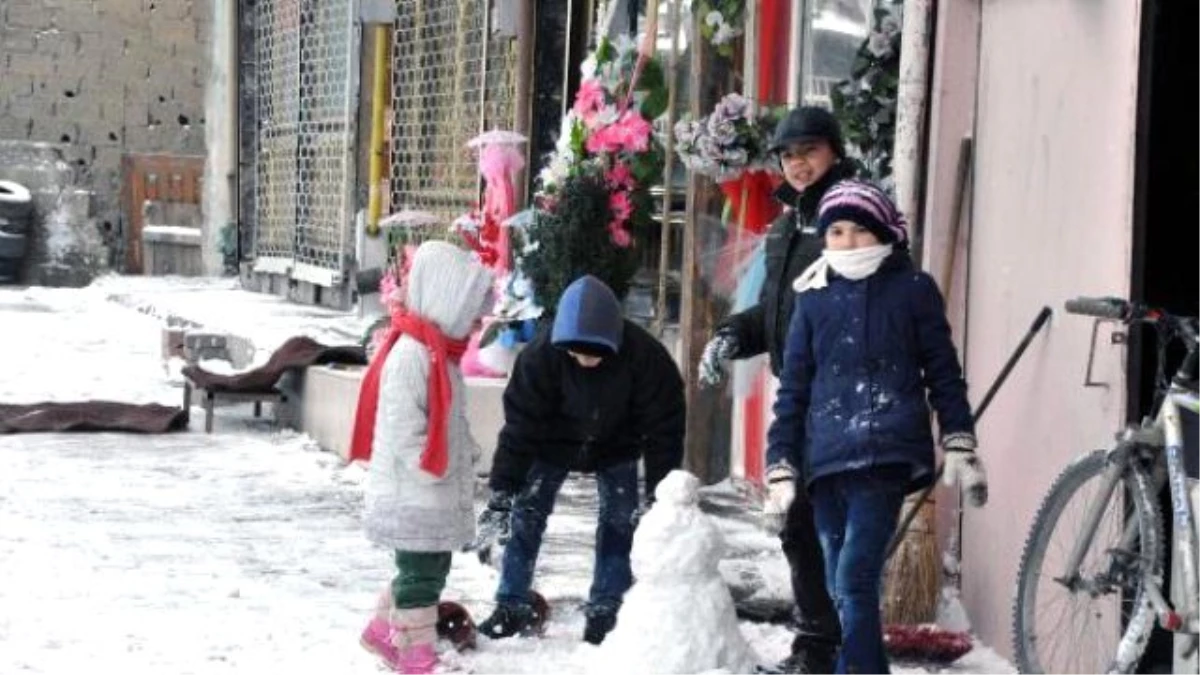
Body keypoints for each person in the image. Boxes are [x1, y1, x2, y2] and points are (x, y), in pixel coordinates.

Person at [768, 179, 988, 675]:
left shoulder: (912, 290)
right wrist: (781, 465)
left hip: (884, 454)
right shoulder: (813, 298)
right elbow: (794, 391)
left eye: (860, 231)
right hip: (824, 462)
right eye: (837, 232)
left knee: (854, 579)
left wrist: (959, 439)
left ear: (885, 232)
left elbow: (942, 371)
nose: (847, 242)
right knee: (836, 585)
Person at [698, 105, 854, 675]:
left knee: (832, 524)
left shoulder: (852, 217)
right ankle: (817, 642)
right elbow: (776, 311)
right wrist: (731, 337)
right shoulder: (787, 226)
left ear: (834, 152)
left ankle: (838, 645)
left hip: (841, 396)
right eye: (789, 155)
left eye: (810, 151)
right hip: (799, 399)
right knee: (796, 519)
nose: (799, 164)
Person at [474, 274, 686, 646]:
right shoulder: (540, 357)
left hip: (617, 443)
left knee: (621, 521)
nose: (586, 360)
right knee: (526, 514)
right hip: (550, 443)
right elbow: (519, 427)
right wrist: (502, 492)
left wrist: (660, 494)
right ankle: (511, 603)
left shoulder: (647, 358)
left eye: (595, 353)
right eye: (576, 353)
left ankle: (608, 607)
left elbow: (664, 429)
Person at [351, 241, 496, 675]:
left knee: (429, 568)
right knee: (421, 576)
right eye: (469, 309)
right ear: (444, 301)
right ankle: (417, 655)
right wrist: (435, 465)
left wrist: (465, 450)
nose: (476, 321)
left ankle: (382, 630)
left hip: (432, 488)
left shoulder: (442, 356)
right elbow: (401, 429)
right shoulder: (410, 357)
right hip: (413, 490)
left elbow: (449, 419)